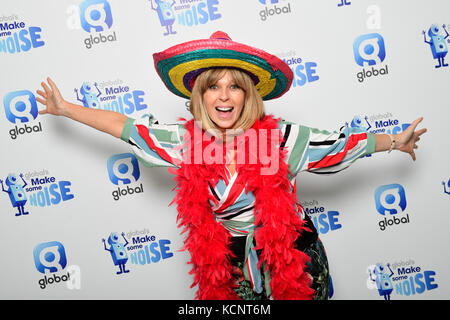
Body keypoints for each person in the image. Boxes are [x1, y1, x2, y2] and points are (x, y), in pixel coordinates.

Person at [35, 31, 426, 300]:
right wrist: (65, 108)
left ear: (248, 94)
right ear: (200, 96)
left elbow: (341, 146)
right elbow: (125, 127)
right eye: (212, 86)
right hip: (231, 268)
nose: (224, 96)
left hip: (293, 259)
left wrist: (394, 141)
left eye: (234, 85)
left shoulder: (283, 138)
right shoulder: (184, 142)